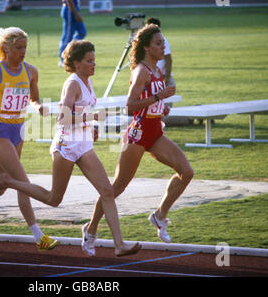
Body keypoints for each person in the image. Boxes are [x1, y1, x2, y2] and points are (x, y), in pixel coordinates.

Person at [0, 40, 141, 257]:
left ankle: (119, 245)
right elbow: (64, 118)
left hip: (83, 144)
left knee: (107, 191)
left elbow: (82, 114)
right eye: (89, 61)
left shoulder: (87, 81)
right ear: (77, 63)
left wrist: (92, 126)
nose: (94, 64)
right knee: (54, 199)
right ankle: (7, 181)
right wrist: (94, 117)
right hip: (66, 146)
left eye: (94, 60)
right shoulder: (73, 84)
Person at [81, 24, 194, 256]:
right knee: (115, 188)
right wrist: (157, 97)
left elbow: (151, 101)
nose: (163, 46)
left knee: (186, 172)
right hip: (139, 134)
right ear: (146, 47)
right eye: (158, 43)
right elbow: (130, 106)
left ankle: (159, 216)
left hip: (155, 131)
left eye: (163, 42)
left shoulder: (157, 69)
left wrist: (161, 107)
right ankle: (90, 229)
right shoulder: (141, 70)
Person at [0, 27, 58, 250]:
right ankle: (39, 236)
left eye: (25, 47)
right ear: (5, 48)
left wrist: (39, 106)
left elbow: (34, 99)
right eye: (18, 47)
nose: (23, 51)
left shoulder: (31, 71)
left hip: (18, 132)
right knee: (23, 184)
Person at [58, 0, 87, 67]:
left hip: (72, 10)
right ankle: (63, 59)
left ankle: (71, 48)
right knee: (67, 36)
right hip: (70, 11)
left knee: (82, 32)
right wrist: (76, 14)